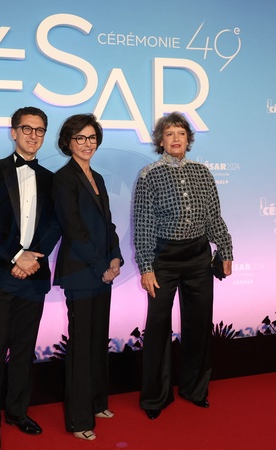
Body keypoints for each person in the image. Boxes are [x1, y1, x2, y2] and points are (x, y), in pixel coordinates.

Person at [0, 106, 61, 450]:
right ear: (14, 132)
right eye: (27, 129)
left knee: (24, 348)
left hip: (32, 276)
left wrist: (33, 257)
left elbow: (55, 224)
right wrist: (17, 256)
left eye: (40, 130)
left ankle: (18, 412)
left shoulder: (51, 179)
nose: (33, 135)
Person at [132, 112, 233, 420]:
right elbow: (144, 225)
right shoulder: (149, 175)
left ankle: (195, 389)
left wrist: (225, 250)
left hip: (199, 258)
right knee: (158, 327)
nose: (175, 138)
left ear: (188, 139)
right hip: (163, 260)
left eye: (180, 133)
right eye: (169, 133)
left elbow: (214, 217)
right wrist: (146, 266)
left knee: (199, 325)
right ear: (160, 141)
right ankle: (155, 397)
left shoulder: (203, 173)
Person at [52, 114, 123, 441]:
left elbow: (107, 224)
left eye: (92, 137)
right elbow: (74, 229)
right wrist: (100, 265)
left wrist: (115, 256)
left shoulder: (98, 177)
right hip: (81, 273)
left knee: (97, 341)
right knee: (81, 347)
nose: (87, 143)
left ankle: (97, 403)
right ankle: (79, 419)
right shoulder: (63, 178)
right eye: (80, 138)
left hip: (103, 272)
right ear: (68, 142)